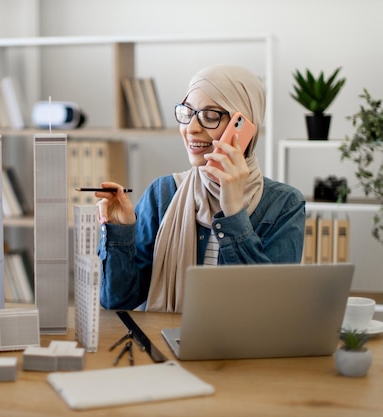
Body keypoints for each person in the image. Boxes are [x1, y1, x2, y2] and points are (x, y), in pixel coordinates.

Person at [96, 64, 306, 313]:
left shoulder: (285, 205)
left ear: (243, 128)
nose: (191, 128)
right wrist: (120, 231)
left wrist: (234, 212)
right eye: (187, 113)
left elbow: (270, 308)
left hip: (243, 349)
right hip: (165, 346)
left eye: (210, 115)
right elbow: (118, 301)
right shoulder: (163, 194)